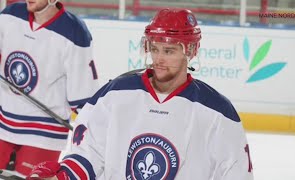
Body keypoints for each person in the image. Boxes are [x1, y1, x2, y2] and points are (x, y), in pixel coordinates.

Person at [27, 8, 253, 180]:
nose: (159, 59)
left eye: (169, 51)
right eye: (154, 49)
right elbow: (90, 153)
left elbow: (235, 173)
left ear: (191, 51)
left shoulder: (218, 112)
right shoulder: (115, 95)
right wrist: (62, 176)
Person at [0, 0, 99, 176]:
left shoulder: (74, 32)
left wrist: (93, 132)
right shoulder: (10, 15)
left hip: (44, 134)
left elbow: (84, 97)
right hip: (3, 124)